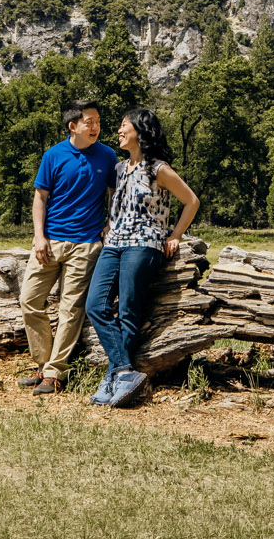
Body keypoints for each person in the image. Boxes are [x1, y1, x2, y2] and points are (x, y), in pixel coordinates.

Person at [85, 107, 201, 408]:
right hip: (114, 244)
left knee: (128, 312)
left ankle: (113, 377)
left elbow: (191, 201)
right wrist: (110, 225)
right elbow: (118, 205)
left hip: (144, 244)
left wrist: (174, 235)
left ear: (141, 131)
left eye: (124, 125)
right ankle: (124, 371)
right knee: (95, 305)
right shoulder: (120, 169)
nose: (119, 130)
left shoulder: (158, 169)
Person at [19, 99, 119, 396]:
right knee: (29, 300)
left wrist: (110, 225)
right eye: (90, 122)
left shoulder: (108, 156)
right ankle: (42, 364)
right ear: (72, 125)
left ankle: (54, 373)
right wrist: (38, 236)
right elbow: (40, 198)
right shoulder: (53, 155)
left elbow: (115, 195)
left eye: (98, 121)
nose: (96, 127)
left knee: (70, 309)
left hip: (86, 245)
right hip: (49, 242)